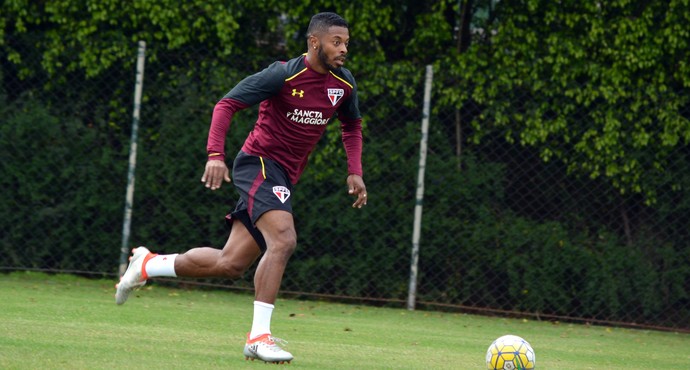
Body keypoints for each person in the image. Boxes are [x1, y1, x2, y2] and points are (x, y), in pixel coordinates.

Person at [115, 12, 367, 364]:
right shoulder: (282, 74)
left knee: (230, 263)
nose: (343, 49)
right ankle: (258, 337)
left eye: (346, 43)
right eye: (336, 42)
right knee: (283, 239)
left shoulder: (344, 84)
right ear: (315, 42)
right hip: (258, 164)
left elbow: (352, 126)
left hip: (284, 176)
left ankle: (148, 264)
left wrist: (354, 171)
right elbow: (226, 104)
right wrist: (215, 155)